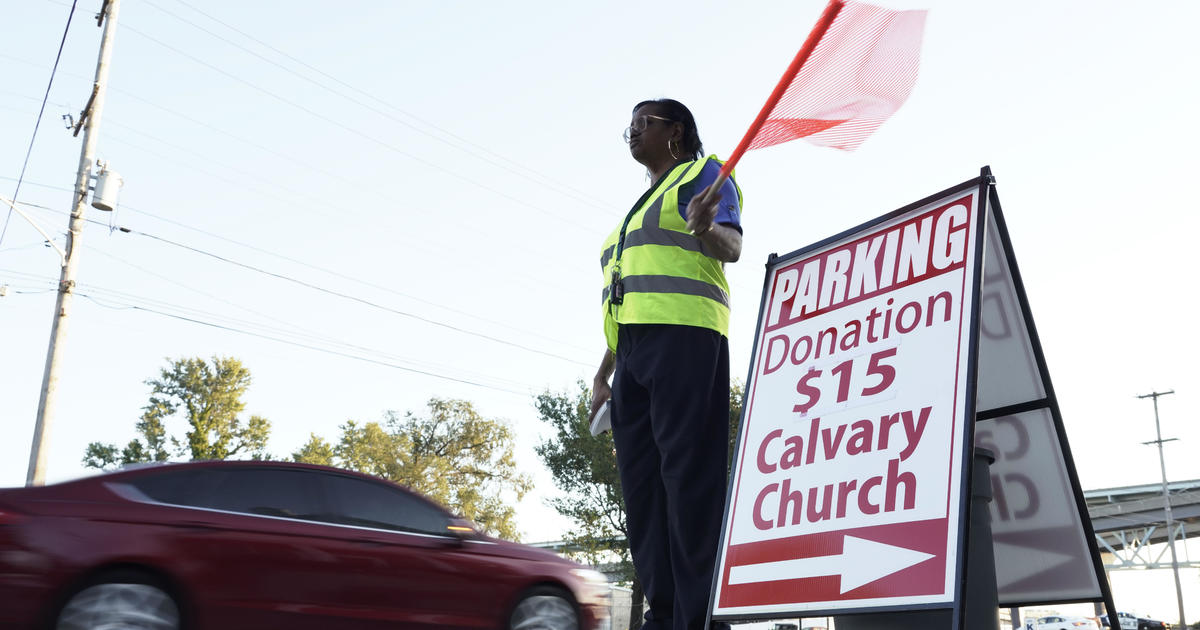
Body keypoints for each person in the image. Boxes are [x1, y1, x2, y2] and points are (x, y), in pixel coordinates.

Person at [592, 98, 743, 630]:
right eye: (627, 125)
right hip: (633, 356)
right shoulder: (635, 210)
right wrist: (604, 371)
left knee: (688, 481)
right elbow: (629, 295)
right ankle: (664, 615)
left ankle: (700, 617)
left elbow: (732, 246)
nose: (631, 131)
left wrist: (706, 227)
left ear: (675, 131)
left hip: (687, 338)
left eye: (642, 122)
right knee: (643, 496)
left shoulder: (704, 173)